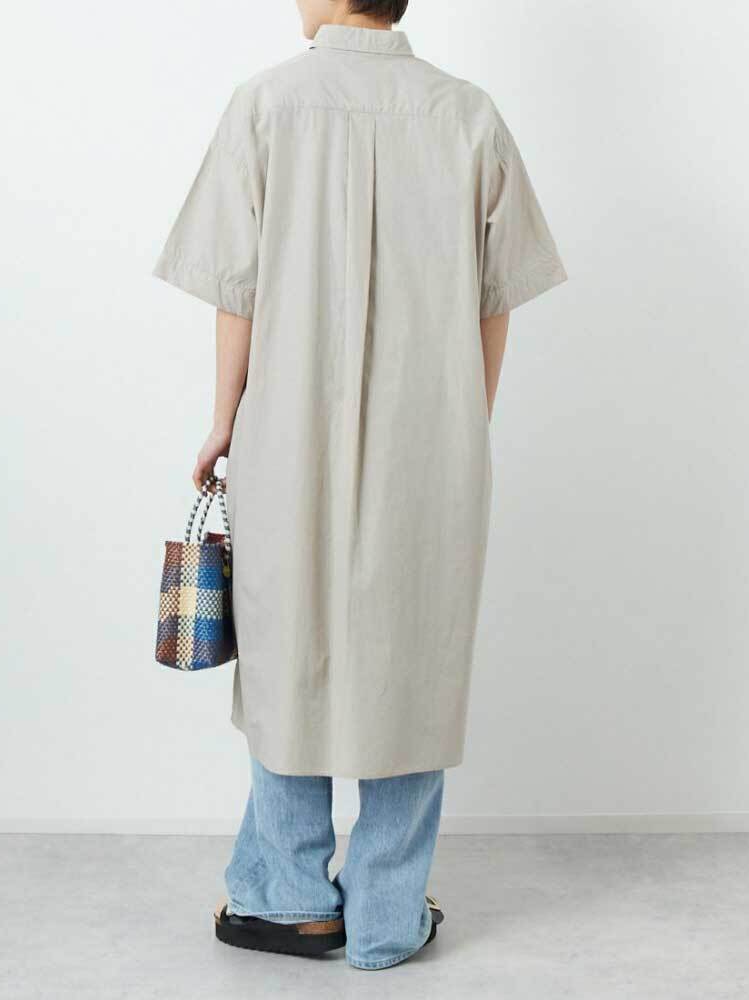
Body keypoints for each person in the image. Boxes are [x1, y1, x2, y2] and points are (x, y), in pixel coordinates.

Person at [153, 0, 566, 971]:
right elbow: (496, 296)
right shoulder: (467, 114)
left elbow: (237, 292)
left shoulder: (266, 105)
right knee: (415, 660)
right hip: (435, 441)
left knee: (285, 653)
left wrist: (224, 417)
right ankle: (385, 911)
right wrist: (466, 420)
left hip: (286, 432)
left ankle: (291, 898)